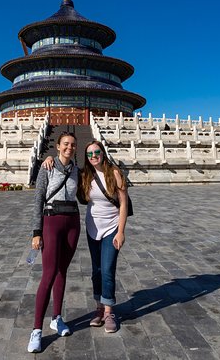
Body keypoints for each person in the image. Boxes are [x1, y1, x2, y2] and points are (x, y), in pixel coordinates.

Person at [28, 132, 80, 353]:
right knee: (48, 274)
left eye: (73, 145)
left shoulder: (77, 170)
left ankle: (56, 318)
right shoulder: (47, 167)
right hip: (51, 222)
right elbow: (38, 198)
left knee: (62, 272)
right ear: (57, 146)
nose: (69, 147)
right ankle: (36, 330)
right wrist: (36, 231)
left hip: (73, 223)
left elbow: (87, 193)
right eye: (65, 144)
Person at [78, 141, 128, 334]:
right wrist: (49, 158)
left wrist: (121, 231)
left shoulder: (114, 173)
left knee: (107, 269)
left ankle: (108, 311)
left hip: (111, 229)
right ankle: (99, 307)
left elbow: (123, 205)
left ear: (103, 153)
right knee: (96, 270)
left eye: (97, 152)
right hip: (92, 229)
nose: (93, 156)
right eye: (90, 154)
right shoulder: (85, 174)